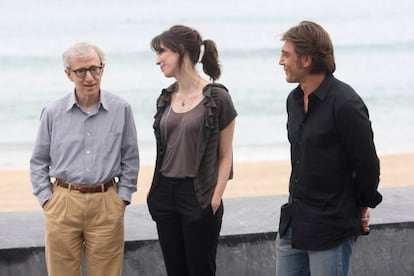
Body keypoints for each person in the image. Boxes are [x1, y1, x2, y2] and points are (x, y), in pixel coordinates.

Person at [275, 21, 382, 276]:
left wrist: (362, 206)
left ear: (307, 60)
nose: (280, 61)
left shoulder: (346, 103)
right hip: (294, 222)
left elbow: (367, 164)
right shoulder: (293, 101)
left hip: (331, 227)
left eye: (286, 54)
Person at [30, 42, 139, 276]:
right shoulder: (52, 112)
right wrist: (47, 199)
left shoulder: (122, 109)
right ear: (68, 74)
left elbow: (130, 157)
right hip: (62, 203)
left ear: (103, 69)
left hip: (106, 202)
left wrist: (122, 198)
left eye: (95, 69)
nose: (89, 77)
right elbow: (39, 160)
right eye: (81, 71)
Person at [146, 25, 237, 276]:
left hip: (198, 193)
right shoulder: (165, 98)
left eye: (162, 52)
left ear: (181, 50)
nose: (158, 60)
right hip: (165, 192)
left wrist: (215, 198)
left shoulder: (217, 98)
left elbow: (226, 155)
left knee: (201, 270)